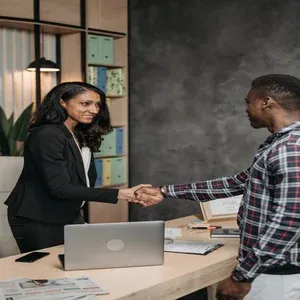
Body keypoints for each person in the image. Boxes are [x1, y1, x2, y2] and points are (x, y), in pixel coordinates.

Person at [135, 74, 300, 300]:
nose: (245, 108)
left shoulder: (290, 149)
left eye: (248, 101)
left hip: (276, 276)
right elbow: (238, 182)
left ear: (266, 102)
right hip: (271, 272)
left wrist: (242, 277)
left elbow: (288, 222)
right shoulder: (281, 144)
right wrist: (164, 191)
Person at [5, 82, 148, 253]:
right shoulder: (46, 135)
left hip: (68, 214)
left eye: (97, 105)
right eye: (85, 103)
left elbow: (83, 181)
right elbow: (59, 188)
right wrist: (123, 193)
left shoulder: (79, 134)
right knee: (48, 275)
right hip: (38, 218)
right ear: (62, 102)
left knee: (82, 265)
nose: (94, 110)